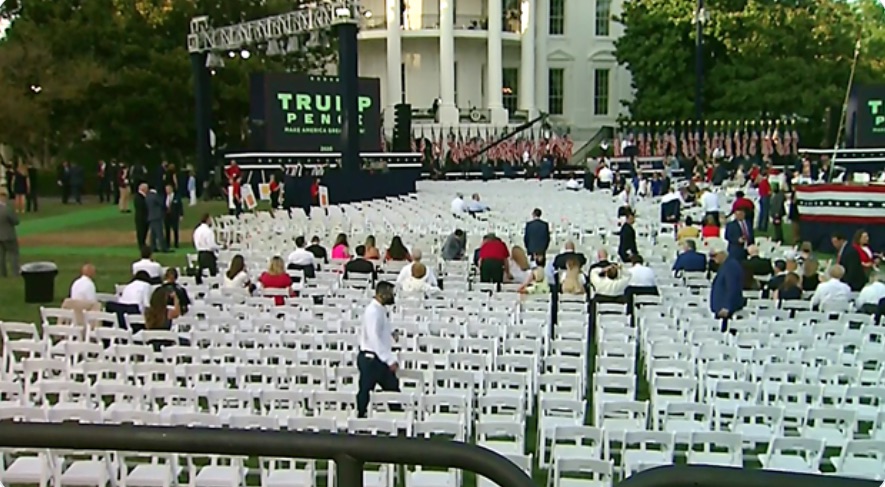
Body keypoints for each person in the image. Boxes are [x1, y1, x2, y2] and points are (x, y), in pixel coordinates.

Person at [356, 281, 401, 418]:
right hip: (372, 359)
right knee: (366, 391)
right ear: (382, 294)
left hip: (377, 358)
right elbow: (373, 337)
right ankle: (360, 418)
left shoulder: (380, 310)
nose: (393, 296)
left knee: (392, 388)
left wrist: (391, 333)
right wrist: (389, 359)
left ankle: (398, 418)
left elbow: (381, 330)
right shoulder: (373, 311)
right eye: (390, 293)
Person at [710, 250, 745, 332]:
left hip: (726, 310)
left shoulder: (731, 266)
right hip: (721, 309)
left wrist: (727, 307)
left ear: (722, 254)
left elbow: (733, 287)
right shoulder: (726, 265)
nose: (713, 259)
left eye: (714, 255)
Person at [193, 213, 219, 283]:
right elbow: (211, 245)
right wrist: (220, 247)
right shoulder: (208, 231)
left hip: (200, 254)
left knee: (202, 275)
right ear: (207, 220)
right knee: (212, 277)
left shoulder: (197, 230)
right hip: (208, 255)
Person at [0, 189, 19, 277]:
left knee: (1, 256)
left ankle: (2, 274)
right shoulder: (7, 209)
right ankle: (15, 273)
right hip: (8, 235)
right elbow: (16, 221)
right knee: (13, 254)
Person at [146, 187, 167, 253]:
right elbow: (161, 203)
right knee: (159, 233)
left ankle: (153, 247)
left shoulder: (147, 197)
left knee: (153, 233)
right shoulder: (155, 196)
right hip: (157, 216)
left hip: (151, 217)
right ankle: (163, 248)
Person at [164, 184, 184, 250]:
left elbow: (180, 206)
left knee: (175, 229)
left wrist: (181, 215)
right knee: (167, 230)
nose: (167, 191)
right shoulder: (164, 197)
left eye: (168, 189)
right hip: (167, 216)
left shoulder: (176, 197)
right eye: (166, 189)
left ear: (171, 189)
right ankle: (167, 243)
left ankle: (176, 243)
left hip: (174, 216)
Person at [133, 183, 149, 249]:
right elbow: (141, 207)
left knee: (144, 231)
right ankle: (141, 245)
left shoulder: (143, 196)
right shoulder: (138, 197)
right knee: (141, 231)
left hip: (144, 217)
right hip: (141, 217)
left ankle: (143, 243)